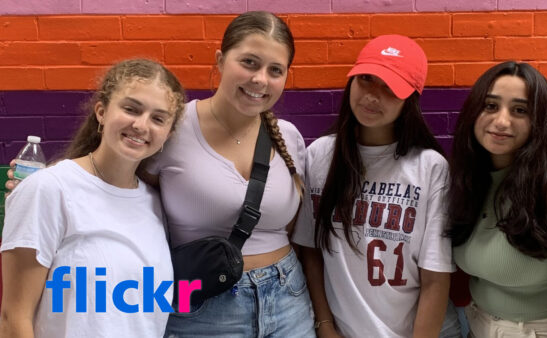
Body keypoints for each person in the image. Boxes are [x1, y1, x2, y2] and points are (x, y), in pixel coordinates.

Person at [140, 11, 314, 337]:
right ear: (221, 60)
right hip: (204, 306)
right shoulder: (171, 130)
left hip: (288, 299)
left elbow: (291, 226)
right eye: (249, 62)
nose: (260, 79)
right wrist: (46, 184)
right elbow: (116, 189)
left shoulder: (289, 138)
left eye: (275, 70)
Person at [0, 59, 187, 337]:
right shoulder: (50, 189)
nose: (141, 124)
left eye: (158, 118)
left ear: (168, 133)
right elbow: (13, 318)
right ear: (101, 111)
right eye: (131, 109)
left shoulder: (156, 203)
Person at [293, 35, 461, 338]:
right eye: (366, 79)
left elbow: (436, 278)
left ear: (409, 100)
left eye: (390, 88)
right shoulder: (320, 155)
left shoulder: (430, 167)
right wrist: (325, 325)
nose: (372, 96)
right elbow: (310, 251)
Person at [448, 61, 547, 337]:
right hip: (478, 327)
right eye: (491, 106)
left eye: (519, 110)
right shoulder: (470, 182)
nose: (501, 121)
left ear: (537, 121)